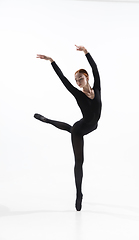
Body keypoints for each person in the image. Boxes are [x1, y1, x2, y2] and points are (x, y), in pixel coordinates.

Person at [34, 45, 102, 211]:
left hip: (93, 126)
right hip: (81, 129)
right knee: (79, 161)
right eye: (76, 80)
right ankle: (79, 193)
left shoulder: (97, 88)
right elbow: (63, 79)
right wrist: (52, 61)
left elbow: (95, 68)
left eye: (80, 78)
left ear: (86, 77)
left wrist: (86, 52)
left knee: (72, 128)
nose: (78, 82)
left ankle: (49, 120)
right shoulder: (77, 94)